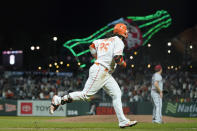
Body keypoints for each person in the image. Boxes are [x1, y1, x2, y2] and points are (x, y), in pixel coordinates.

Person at [49, 23, 137, 128]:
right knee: (85, 95)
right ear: (123, 32)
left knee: (117, 94)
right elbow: (117, 58)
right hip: (100, 70)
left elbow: (92, 45)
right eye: (126, 30)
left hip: (105, 73)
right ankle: (58, 100)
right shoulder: (119, 42)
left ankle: (122, 121)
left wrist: (96, 56)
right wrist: (123, 63)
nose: (127, 32)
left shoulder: (104, 40)